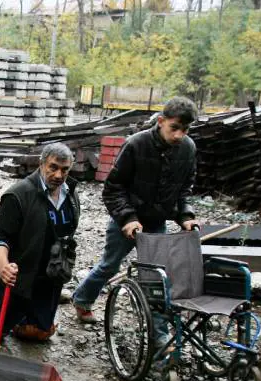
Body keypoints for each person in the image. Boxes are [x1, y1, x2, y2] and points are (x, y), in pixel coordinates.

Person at [72, 96, 200, 348]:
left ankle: (158, 336)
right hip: (126, 221)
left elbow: (184, 189)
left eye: (185, 130)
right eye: (174, 128)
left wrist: (186, 216)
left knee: (156, 277)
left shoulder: (188, 149)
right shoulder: (136, 144)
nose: (179, 135)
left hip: (156, 222)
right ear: (161, 121)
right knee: (109, 265)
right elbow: (112, 188)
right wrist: (128, 219)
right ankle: (83, 299)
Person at [0, 143, 80, 342]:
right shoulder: (18, 195)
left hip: (49, 277)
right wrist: (3, 266)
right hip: (19, 277)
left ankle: (27, 314)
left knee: (39, 334)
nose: (59, 175)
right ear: (41, 164)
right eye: (53, 167)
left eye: (65, 169)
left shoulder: (71, 194)